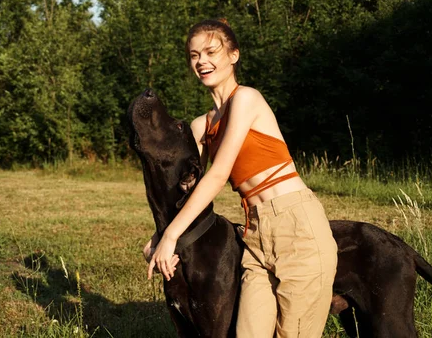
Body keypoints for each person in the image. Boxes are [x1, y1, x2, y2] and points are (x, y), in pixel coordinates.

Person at [143, 18, 338, 337]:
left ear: (233, 55)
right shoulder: (201, 126)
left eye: (210, 51)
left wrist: (170, 237)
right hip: (255, 235)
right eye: (194, 55)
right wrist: (160, 235)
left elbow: (218, 175)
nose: (201, 61)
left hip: (297, 228)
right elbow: (185, 186)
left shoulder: (247, 99)